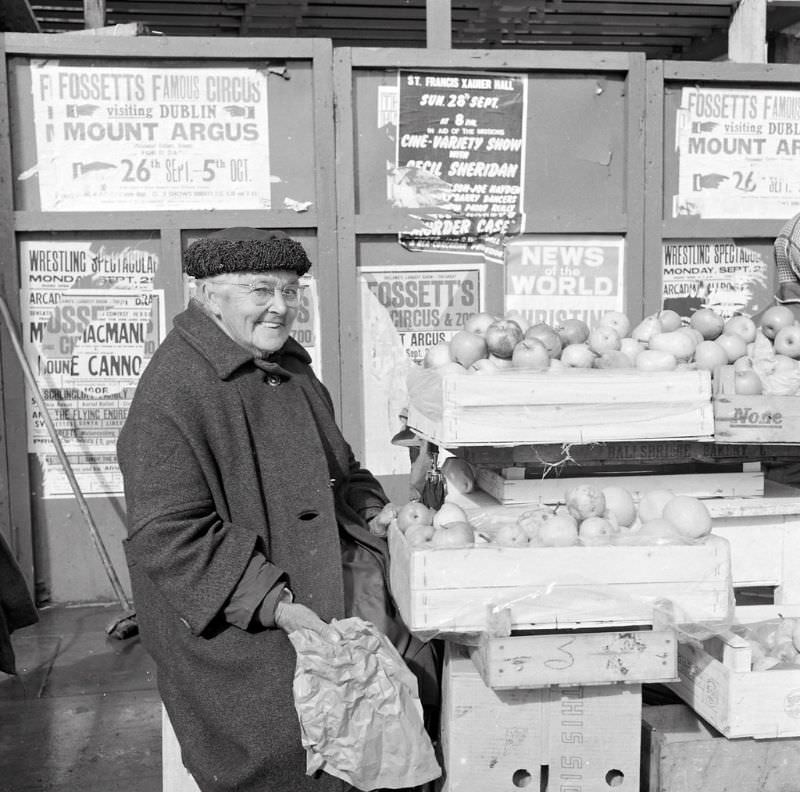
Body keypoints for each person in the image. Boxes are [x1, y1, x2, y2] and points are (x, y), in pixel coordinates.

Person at [117, 227, 440, 792]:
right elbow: (169, 536)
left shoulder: (288, 365)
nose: (280, 307)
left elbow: (340, 466)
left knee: (409, 680)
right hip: (240, 616)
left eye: (292, 291)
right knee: (285, 751)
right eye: (260, 290)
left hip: (321, 583)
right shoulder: (175, 388)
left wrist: (372, 511)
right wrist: (278, 605)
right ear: (207, 294)